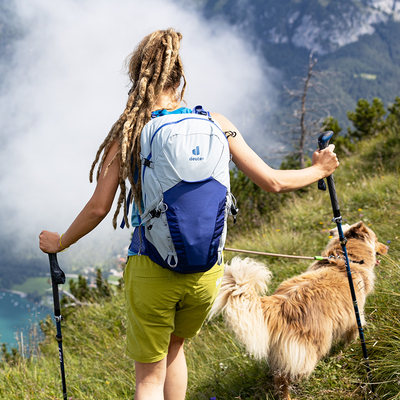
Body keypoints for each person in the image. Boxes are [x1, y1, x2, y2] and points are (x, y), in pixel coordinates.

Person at [39, 28, 339, 400]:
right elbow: (274, 182)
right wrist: (321, 170)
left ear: (138, 81)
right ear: (180, 81)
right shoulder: (217, 123)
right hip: (205, 273)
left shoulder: (131, 132)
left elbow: (99, 207)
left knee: (148, 379)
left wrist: (60, 241)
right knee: (175, 348)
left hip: (151, 267)